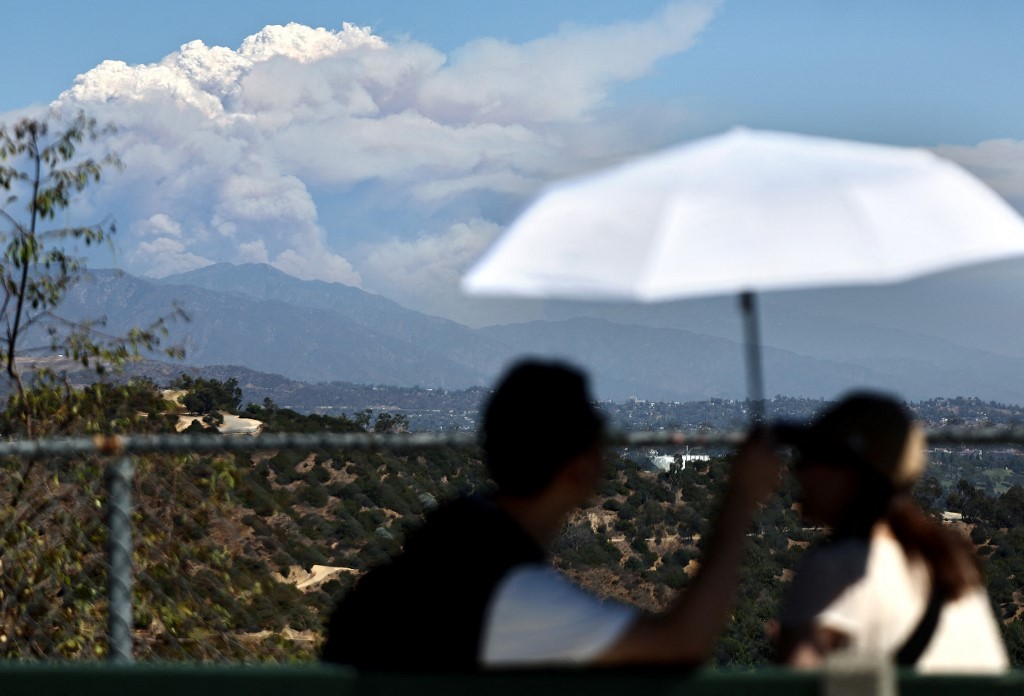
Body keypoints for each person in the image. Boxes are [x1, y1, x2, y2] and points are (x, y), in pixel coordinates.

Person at [322, 359, 780, 670]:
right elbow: (683, 643)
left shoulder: (450, 544)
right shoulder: (503, 589)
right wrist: (740, 500)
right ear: (579, 470)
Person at [774, 393, 1008, 672]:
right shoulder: (951, 561)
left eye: (812, 456)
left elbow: (794, 685)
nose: (798, 469)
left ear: (847, 471)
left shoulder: (836, 566)